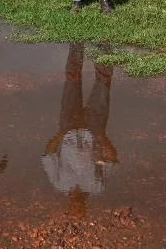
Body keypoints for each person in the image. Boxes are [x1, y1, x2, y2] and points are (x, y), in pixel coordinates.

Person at [41, 43, 118, 217]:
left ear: (68, 207)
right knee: (104, 80)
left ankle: (77, 37)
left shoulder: (59, 183)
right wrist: (102, 137)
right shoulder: (97, 187)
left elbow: (48, 154)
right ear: (86, 208)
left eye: (73, 210)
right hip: (94, 128)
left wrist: (61, 134)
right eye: (80, 211)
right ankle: (104, 38)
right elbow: (112, 159)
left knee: (72, 77)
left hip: (68, 127)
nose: (76, 207)